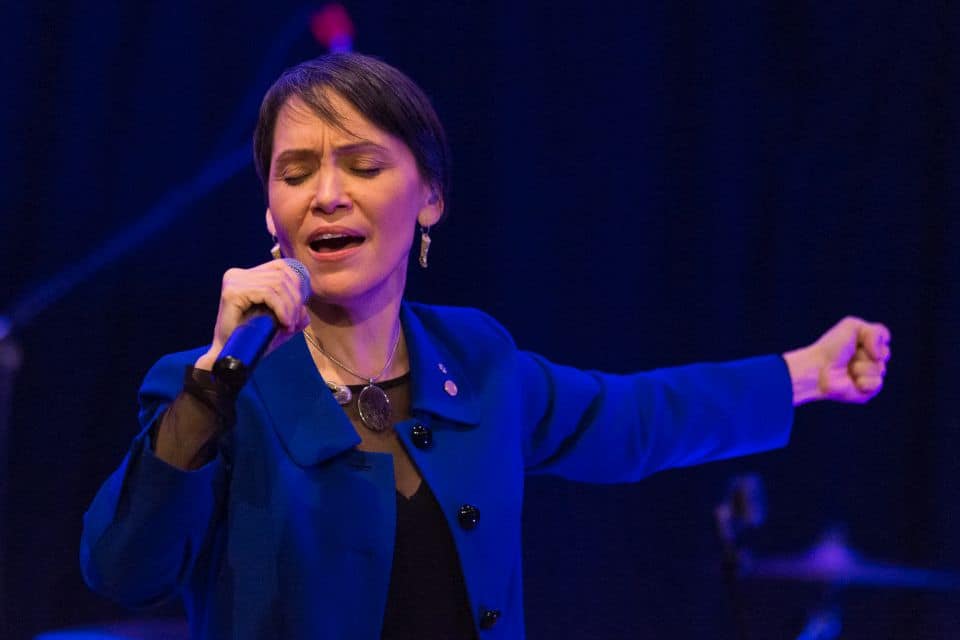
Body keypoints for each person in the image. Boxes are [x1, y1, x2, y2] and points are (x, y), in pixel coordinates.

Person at [80, 53, 891, 640]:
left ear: (429, 198)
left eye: (362, 165)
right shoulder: (213, 387)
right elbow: (125, 570)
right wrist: (213, 382)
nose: (326, 195)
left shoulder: (476, 360)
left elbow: (636, 417)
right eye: (295, 174)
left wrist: (805, 374)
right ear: (269, 213)